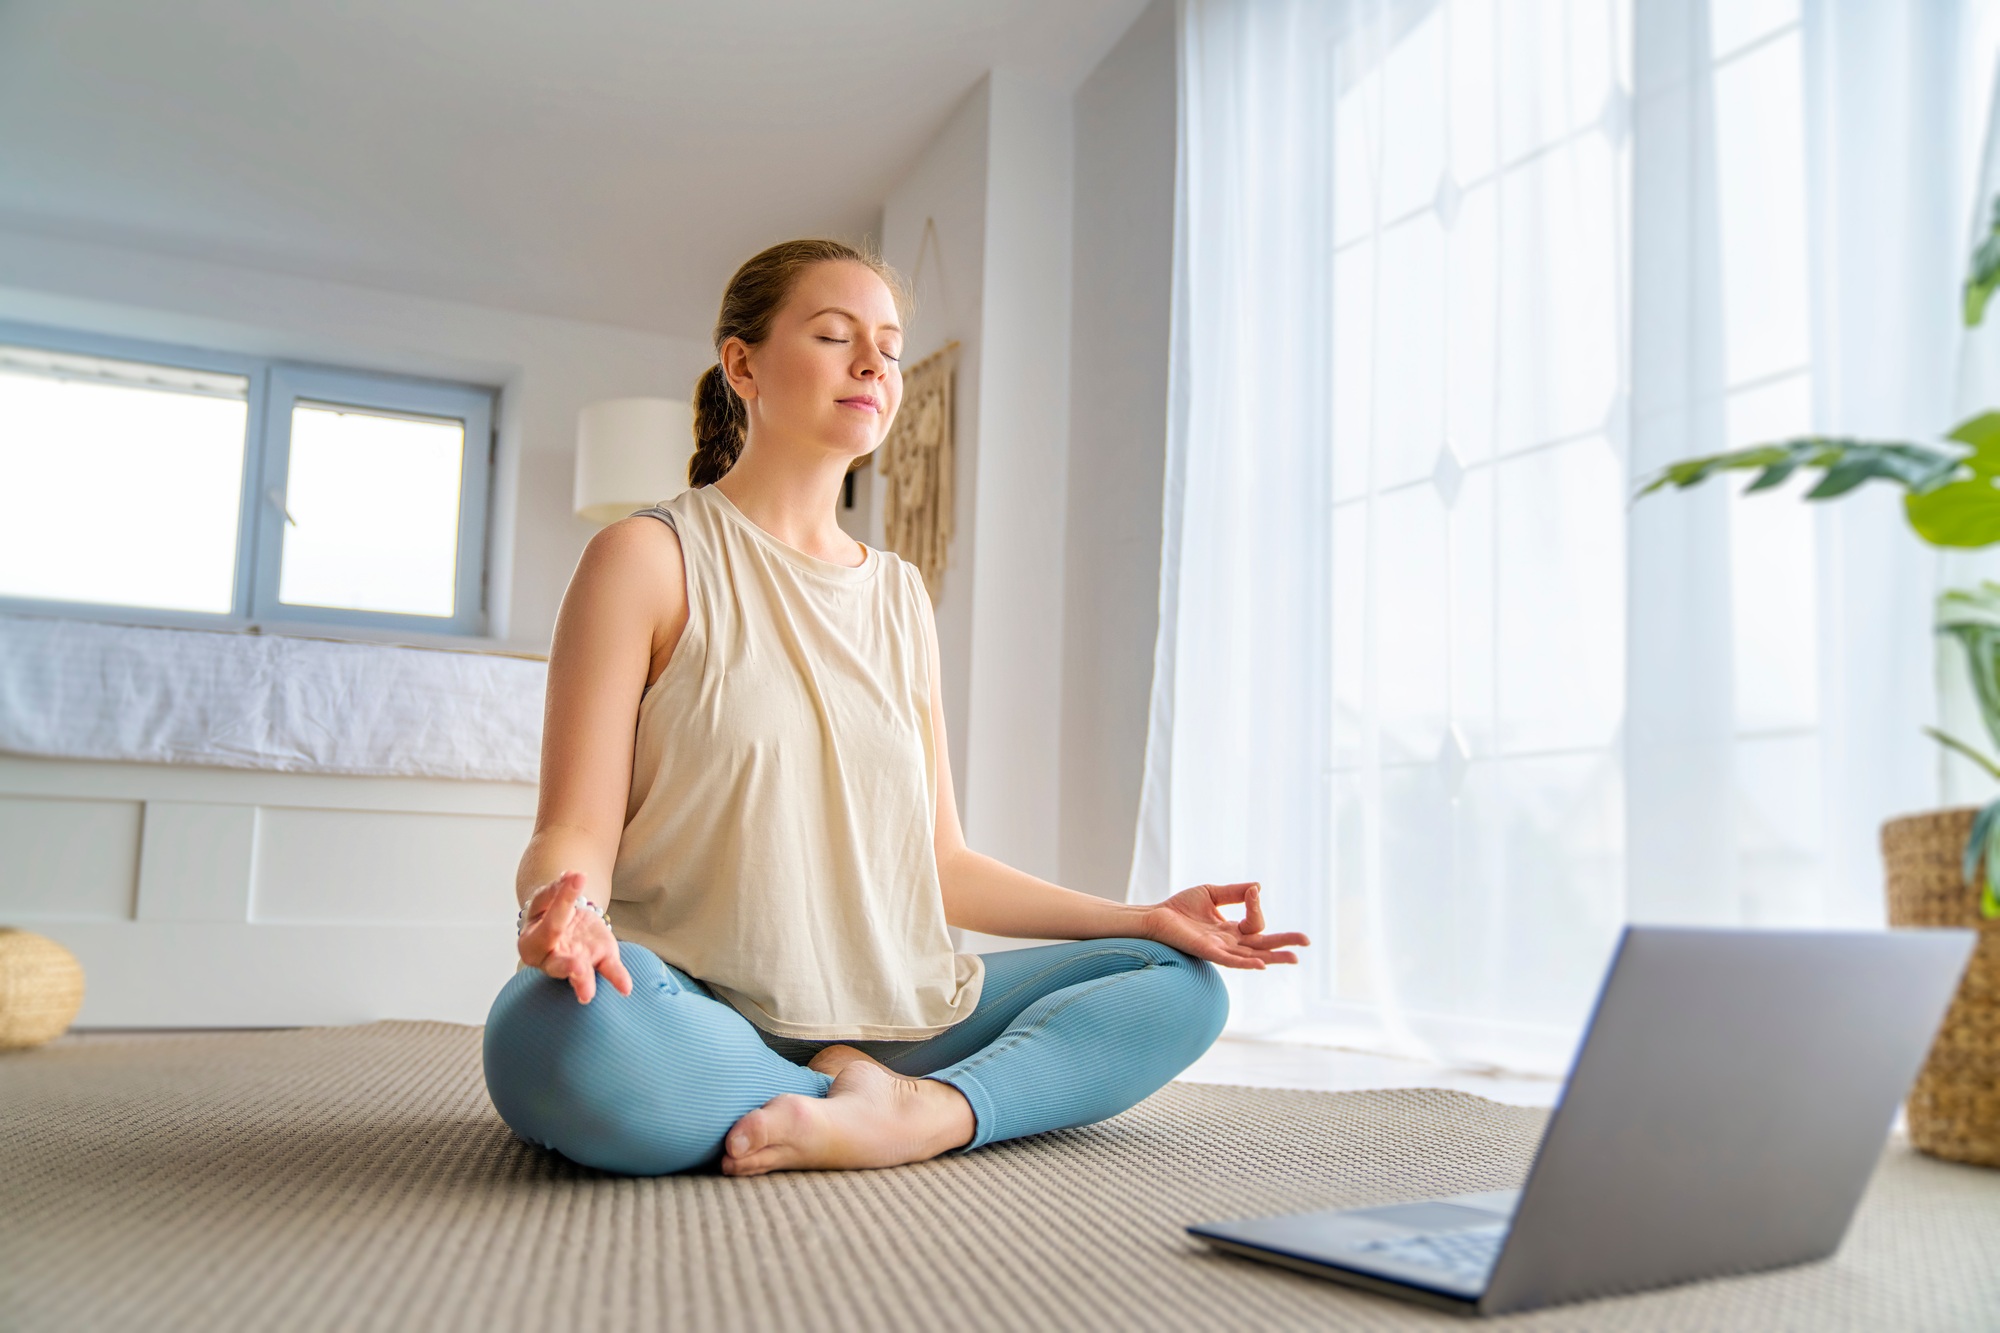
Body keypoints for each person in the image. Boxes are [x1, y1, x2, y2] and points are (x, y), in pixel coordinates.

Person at [481, 238, 1308, 1178]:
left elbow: (940, 863)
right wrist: (566, 912)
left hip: (904, 1013)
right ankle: (842, 1090)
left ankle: (926, 1114)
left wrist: (1143, 916)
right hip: (695, 1006)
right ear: (742, 364)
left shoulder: (902, 596)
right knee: (545, 1029)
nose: (873, 362)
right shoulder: (647, 557)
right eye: (835, 336)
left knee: (1182, 986)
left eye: (890, 345)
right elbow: (574, 828)